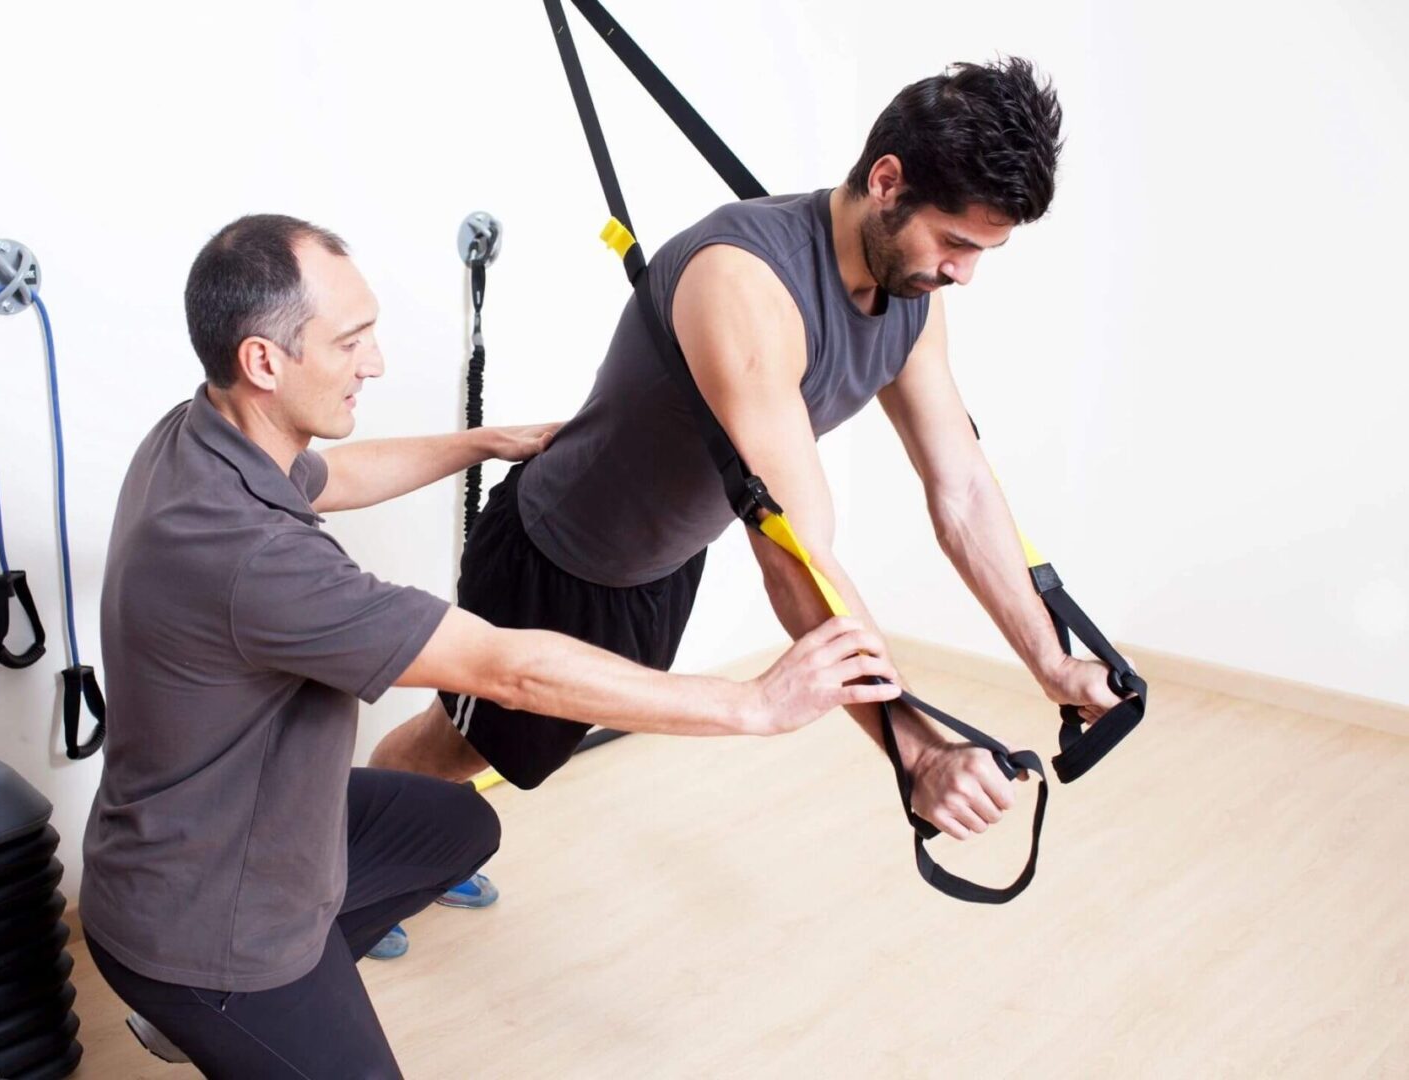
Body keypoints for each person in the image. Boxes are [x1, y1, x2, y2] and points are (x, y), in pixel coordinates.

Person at [78, 213, 896, 1078]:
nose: (377, 362)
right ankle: (208, 1015)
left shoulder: (202, 433)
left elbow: (333, 477)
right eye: (351, 341)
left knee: (455, 826)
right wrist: (753, 703)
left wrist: (483, 442)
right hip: (208, 923)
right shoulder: (255, 557)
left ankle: (238, 1015)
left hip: (226, 835)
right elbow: (507, 667)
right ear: (264, 361)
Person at [372, 58, 1125, 897]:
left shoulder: (911, 293)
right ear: (887, 182)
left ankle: (406, 833)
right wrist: (918, 750)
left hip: (659, 570)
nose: (963, 272)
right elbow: (795, 547)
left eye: (983, 252)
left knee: (507, 755)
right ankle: (351, 851)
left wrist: (1054, 666)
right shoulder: (745, 283)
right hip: (557, 556)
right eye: (955, 242)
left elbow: (964, 490)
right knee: (463, 745)